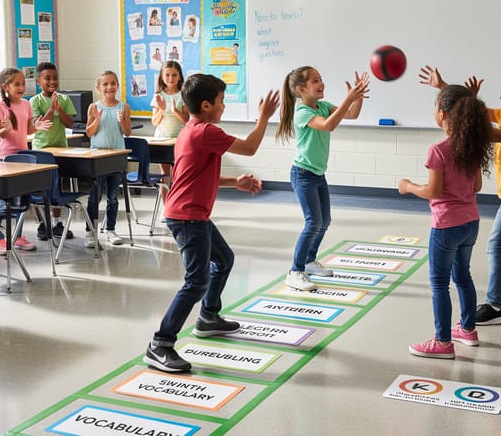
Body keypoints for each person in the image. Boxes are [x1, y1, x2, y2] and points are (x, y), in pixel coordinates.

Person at [144, 74, 279, 373]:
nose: (224, 105)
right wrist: (264, 117)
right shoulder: (206, 131)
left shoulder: (191, 130)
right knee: (197, 280)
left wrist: (236, 182)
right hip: (188, 216)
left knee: (224, 259)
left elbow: (197, 177)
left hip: (192, 213)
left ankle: (208, 317)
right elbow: (250, 147)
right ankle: (160, 344)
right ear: (206, 105)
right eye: (221, 101)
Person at [423, 67, 501, 325]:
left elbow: (478, 127)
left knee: (495, 246)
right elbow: (476, 110)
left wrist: (463, 104)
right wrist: (443, 87)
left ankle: (494, 306)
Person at [398, 84, 492, 359]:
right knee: (463, 277)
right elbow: (476, 186)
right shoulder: (473, 146)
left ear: (442, 114)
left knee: (439, 283)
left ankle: (442, 342)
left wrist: (408, 186)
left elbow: (433, 191)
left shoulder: (438, 150)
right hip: (470, 222)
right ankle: (468, 330)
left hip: (445, 225)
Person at [276, 67, 370, 291]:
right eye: (315, 80)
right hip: (302, 174)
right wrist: (348, 99)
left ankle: (308, 261)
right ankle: (295, 271)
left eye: (321, 79)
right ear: (301, 89)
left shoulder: (324, 106)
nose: (322, 83)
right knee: (313, 222)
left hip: (317, 174)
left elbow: (352, 114)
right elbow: (329, 125)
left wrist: (356, 98)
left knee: (324, 221)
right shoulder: (303, 113)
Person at [0, 67, 52, 255]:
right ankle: (1, 239)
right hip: (4, 157)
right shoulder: (1, 106)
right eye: (17, 84)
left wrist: (37, 127)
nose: (21, 87)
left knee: (21, 198)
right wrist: (6, 128)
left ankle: (16, 236)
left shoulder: (26, 104)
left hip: (23, 155)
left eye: (23, 83)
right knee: (5, 200)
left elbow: (27, 131)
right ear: (5, 87)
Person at [29, 62, 75, 242]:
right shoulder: (35, 101)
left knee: (58, 185)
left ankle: (57, 222)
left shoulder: (64, 99)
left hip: (61, 149)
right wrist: (51, 109)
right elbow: (38, 124)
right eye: (47, 78)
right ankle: (42, 223)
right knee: (41, 188)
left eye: (55, 78)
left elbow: (69, 123)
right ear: (39, 81)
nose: (52, 81)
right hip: (41, 150)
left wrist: (59, 109)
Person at [85, 70, 131, 247]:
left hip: (116, 157)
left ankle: (110, 230)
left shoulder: (123, 107)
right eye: (105, 84)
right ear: (98, 87)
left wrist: (122, 121)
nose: (109, 87)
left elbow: (127, 132)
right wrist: (96, 119)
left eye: (113, 83)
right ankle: (90, 231)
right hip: (98, 157)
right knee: (94, 196)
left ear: (117, 86)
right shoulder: (94, 107)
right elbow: (89, 133)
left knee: (112, 196)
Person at [150, 60, 188, 201]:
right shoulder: (158, 95)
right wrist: (161, 109)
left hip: (179, 139)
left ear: (179, 77)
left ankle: (177, 204)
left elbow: (187, 120)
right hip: (162, 139)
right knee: (164, 173)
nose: (170, 79)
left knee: (179, 173)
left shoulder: (184, 94)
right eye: (167, 75)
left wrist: (175, 111)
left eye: (174, 75)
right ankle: (165, 207)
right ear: (162, 77)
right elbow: (154, 122)